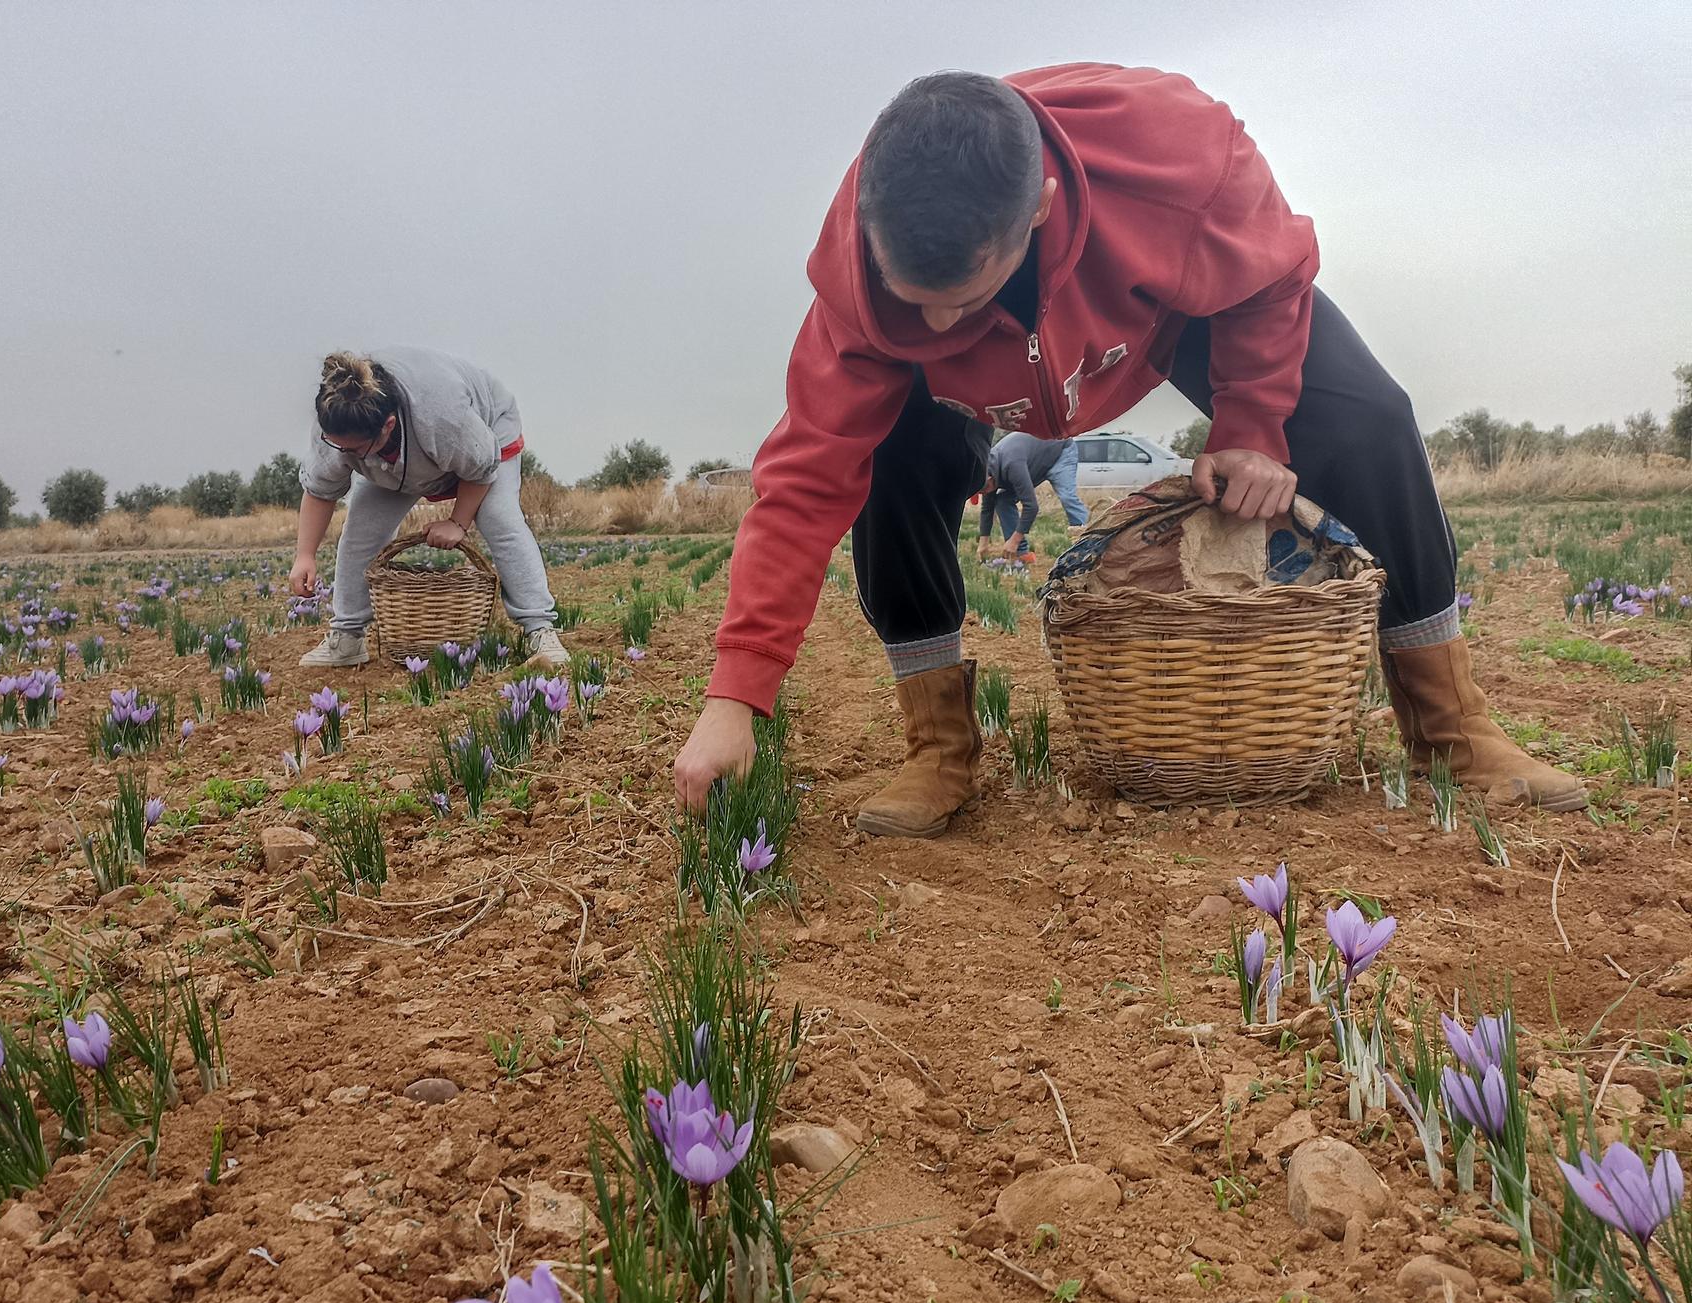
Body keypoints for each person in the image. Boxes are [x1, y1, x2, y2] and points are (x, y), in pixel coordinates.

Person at [671, 65, 1585, 835]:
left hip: (1157, 311)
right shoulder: (866, 300)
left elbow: (1272, 277)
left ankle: (1449, 727)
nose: (937, 322)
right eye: (910, 298)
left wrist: (1252, 428)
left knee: (1368, 416)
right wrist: (735, 697)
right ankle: (940, 748)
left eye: (961, 296)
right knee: (889, 464)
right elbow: (801, 486)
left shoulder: (1177, 156)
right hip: (972, 385)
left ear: (1040, 208)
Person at [290, 348, 569, 670]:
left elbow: (480, 470)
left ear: (387, 425)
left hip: (486, 429)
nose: (345, 455)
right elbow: (319, 492)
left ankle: (540, 630)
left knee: (498, 518)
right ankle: (347, 638)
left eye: (354, 449)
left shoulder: (442, 413)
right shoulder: (337, 425)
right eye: (339, 446)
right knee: (361, 531)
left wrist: (458, 523)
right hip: (396, 459)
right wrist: (304, 555)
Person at [976, 431, 1084, 559]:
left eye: (985, 489)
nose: (985, 493)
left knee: (1068, 498)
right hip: (1034, 464)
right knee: (1002, 501)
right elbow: (987, 508)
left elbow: (1031, 506)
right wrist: (983, 543)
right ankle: (1020, 554)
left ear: (990, 478)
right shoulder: (986, 471)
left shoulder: (1011, 464)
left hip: (1060, 451)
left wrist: (1014, 540)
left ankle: (1089, 545)